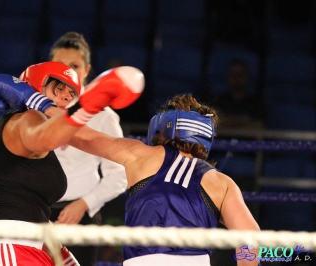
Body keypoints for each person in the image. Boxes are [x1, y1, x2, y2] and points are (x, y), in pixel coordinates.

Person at [0, 61, 144, 266]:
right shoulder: (24, 119)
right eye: (58, 87)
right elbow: (45, 138)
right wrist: (89, 103)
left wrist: (61, 256)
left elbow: (29, 207)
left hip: (21, 244)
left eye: (71, 93)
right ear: (35, 87)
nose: (66, 96)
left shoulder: (41, 135)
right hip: (1, 242)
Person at [67, 93, 261, 266]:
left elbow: (80, 136)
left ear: (164, 127)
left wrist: (44, 108)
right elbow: (250, 238)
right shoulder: (222, 183)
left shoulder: (139, 154)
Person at [48, 32, 127, 266]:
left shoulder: (103, 116)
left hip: (81, 216)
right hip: (36, 212)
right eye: (61, 66)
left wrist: (84, 204)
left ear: (87, 69)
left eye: (75, 66)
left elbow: (120, 174)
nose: (68, 72)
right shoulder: (33, 111)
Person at [212, 58, 265, 129]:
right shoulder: (218, 101)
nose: (236, 78)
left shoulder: (256, 104)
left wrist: (227, 120)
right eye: (233, 74)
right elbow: (214, 124)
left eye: (240, 74)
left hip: (247, 140)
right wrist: (242, 120)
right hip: (222, 140)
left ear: (247, 76)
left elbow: (258, 126)